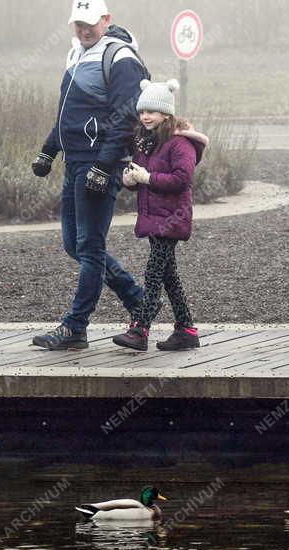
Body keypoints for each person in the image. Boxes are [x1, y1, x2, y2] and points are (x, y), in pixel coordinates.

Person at [30, 0, 148, 350]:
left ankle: (75, 326)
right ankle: (139, 300)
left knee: (90, 247)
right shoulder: (76, 53)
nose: (83, 30)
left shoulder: (121, 58)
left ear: (106, 20)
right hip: (75, 161)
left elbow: (128, 116)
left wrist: (104, 164)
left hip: (98, 164)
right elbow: (68, 111)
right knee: (74, 244)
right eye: (78, 24)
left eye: (90, 23)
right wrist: (49, 149)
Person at [113, 80, 209, 352]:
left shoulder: (181, 143)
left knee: (154, 271)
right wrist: (131, 180)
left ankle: (140, 329)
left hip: (171, 218)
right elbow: (140, 173)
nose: (145, 116)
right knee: (168, 275)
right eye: (142, 111)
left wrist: (147, 177)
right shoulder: (146, 142)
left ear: (166, 113)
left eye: (152, 111)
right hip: (154, 217)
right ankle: (186, 330)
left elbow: (182, 179)